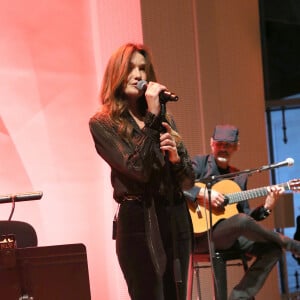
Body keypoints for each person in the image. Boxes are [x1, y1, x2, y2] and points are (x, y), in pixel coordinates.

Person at [89, 43, 195, 300]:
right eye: (131, 68)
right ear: (116, 74)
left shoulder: (165, 121)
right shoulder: (103, 123)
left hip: (174, 215)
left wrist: (174, 159)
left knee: (177, 294)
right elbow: (137, 169)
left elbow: (189, 180)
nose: (138, 75)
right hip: (138, 221)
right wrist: (152, 119)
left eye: (143, 69)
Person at [184, 124, 300, 300]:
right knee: (241, 221)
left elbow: (246, 215)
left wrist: (267, 207)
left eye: (228, 144)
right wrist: (204, 194)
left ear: (237, 146)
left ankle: (238, 297)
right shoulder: (199, 164)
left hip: (228, 235)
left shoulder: (238, 177)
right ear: (211, 143)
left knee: (272, 249)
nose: (223, 148)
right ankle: (292, 244)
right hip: (200, 236)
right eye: (219, 143)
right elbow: (180, 186)